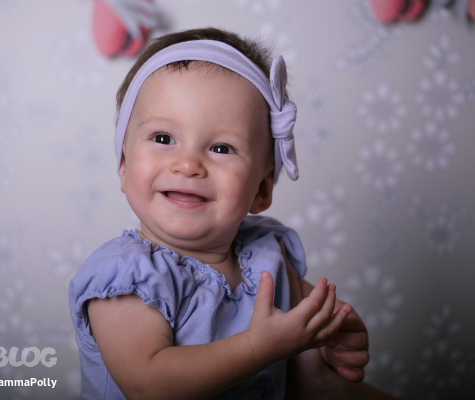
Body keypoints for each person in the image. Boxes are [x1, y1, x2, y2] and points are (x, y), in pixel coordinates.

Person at [69, 28, 379, 400]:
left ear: (261, 190)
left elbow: (311, 320)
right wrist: (259, 347)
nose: (187, 164)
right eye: (163, 138)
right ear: (123, 166)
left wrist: (330, 336)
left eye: (221, 148)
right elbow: (148, 384)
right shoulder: (128, 279)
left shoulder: (268, 258)